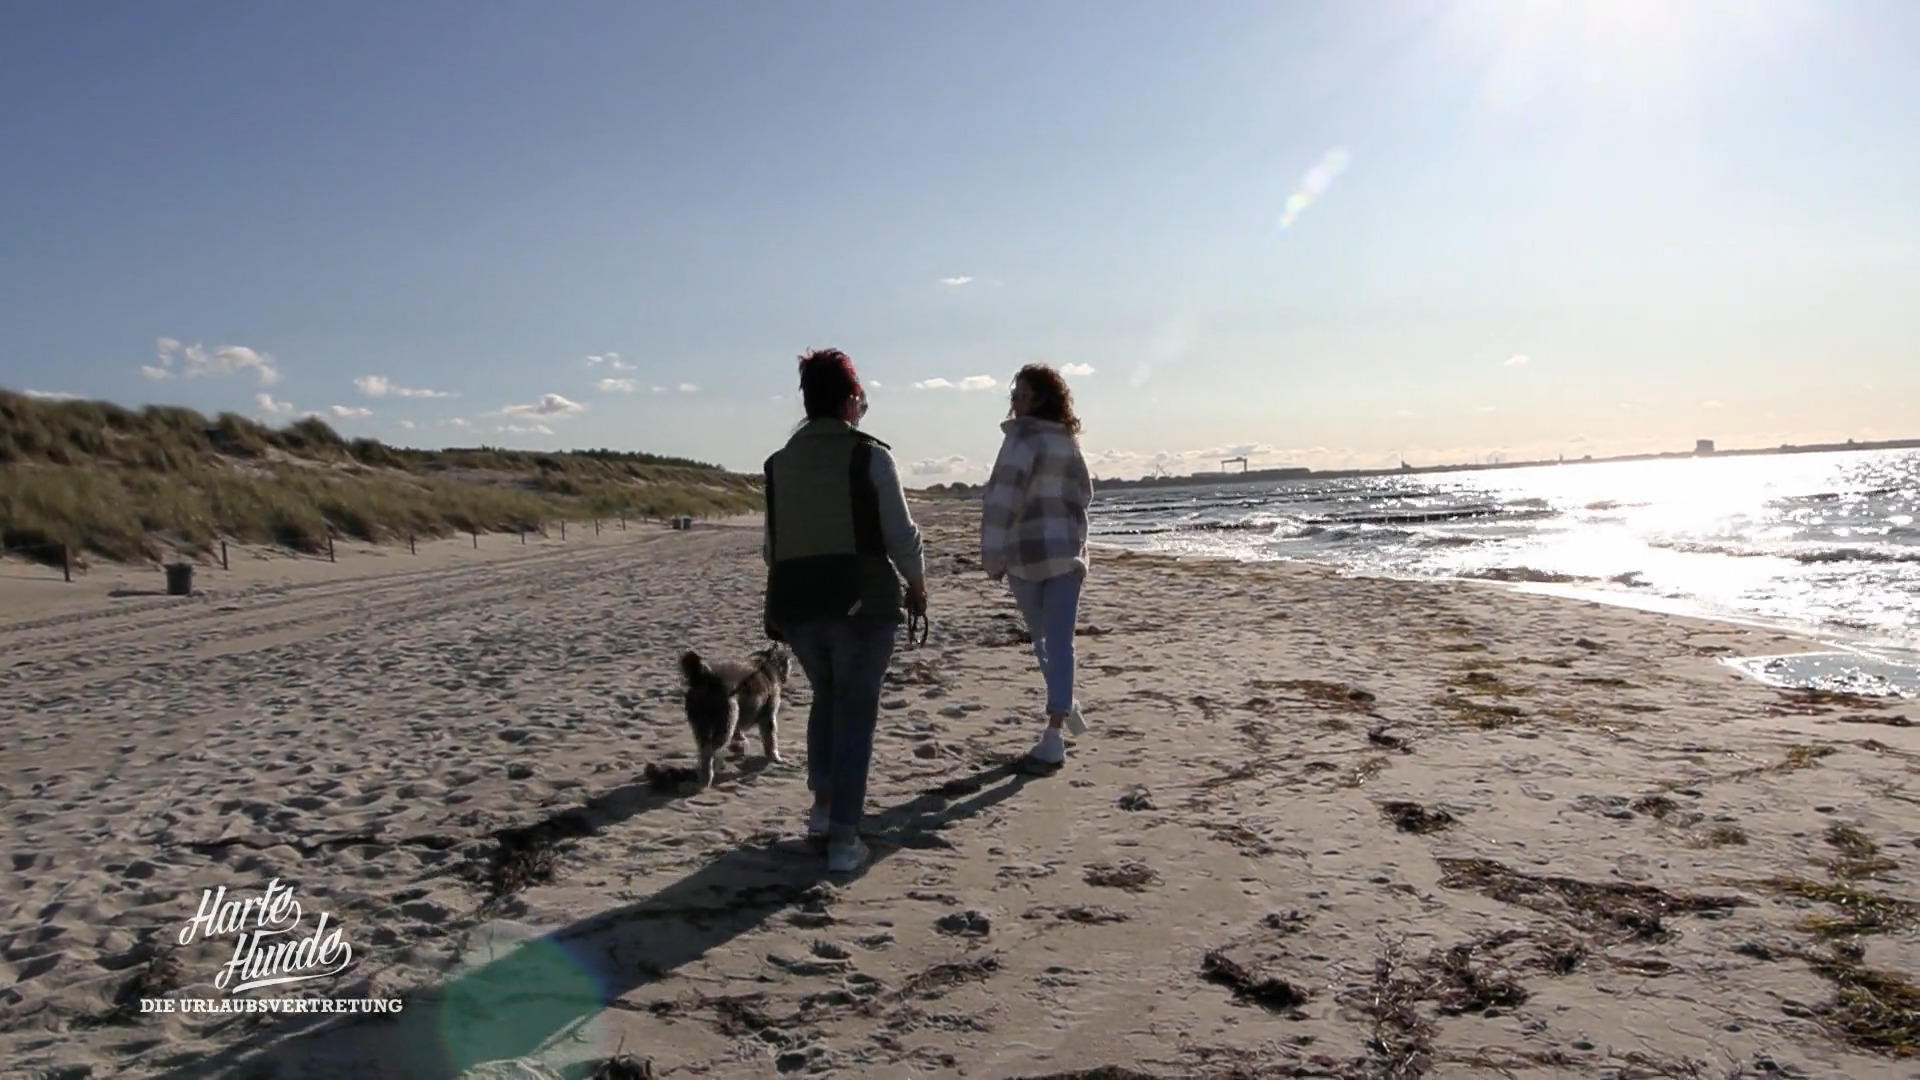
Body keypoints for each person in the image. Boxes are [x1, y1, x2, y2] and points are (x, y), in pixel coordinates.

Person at [763, 347, 928, 873]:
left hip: (795, 603)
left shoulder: (778, 464)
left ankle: (822, 808)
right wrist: (917, 585)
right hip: (860, 602)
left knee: (827, 699)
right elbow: (901, 537)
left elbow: (772, 549)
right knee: (856, 711)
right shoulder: (871, 456)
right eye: (860, 398)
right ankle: (843, 838)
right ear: (852, 399)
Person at [979, 363, 1093, 767]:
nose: (1014, 403)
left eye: (1021, 395)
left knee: (1047, 641)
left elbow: (1001, 498)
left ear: (1041, 399)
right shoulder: (1067, 440)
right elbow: (1084, 492)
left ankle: (1054, 732)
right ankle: (1063, 711)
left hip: (1028, 554)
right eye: (1013, 396)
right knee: (1057, 641)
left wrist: (992, 553)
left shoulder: (1020, 439)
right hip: (1064, 551)